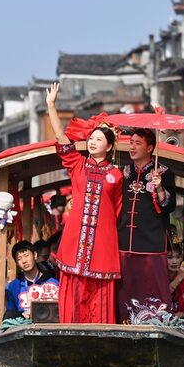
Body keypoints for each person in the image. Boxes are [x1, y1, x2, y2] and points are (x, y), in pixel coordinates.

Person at [46, 82, 123, 324]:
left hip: (103, 239)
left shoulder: (117, 175)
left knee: (100, 286)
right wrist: (51, 105)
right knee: (74, 282)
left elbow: (117, 209)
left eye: (99, 139)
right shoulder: (77, 165)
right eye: (91, 138)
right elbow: (61, 137)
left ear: (109, 146)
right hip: (75, 237)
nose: (92, 142)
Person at [115, 128, 177, 324]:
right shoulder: (123, 172)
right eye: (131, 142)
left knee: (152, 284)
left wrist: (159, 187)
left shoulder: (164, 172)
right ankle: (123, 319)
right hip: (125, 239)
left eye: (137, 143)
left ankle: (156, 320)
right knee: (126, 284)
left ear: (150, 147)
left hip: (151, 239)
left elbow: (169, 205)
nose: (132, 146)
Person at [4, 240, 59, 320]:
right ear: (16, 263)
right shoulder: (12, 287)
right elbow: (9, 314)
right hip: (23, 327)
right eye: (19, 258)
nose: (24, 261)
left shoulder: (53, 283)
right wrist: (22, 315)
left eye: (26, 255)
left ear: (35, 255)